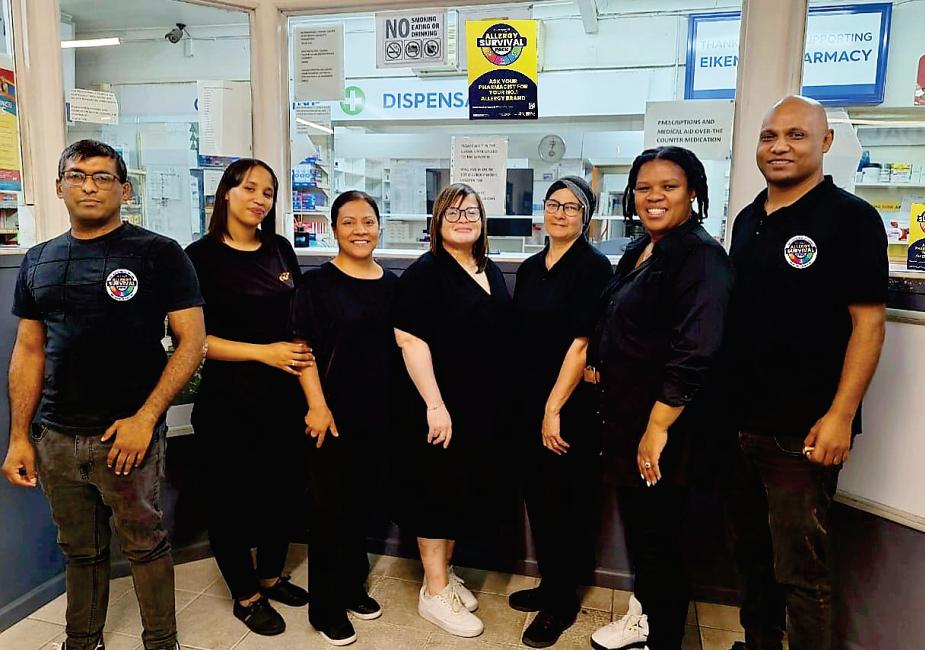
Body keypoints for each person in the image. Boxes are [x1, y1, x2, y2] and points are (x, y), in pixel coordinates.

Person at [1, 140, 206, 650]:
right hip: (56, 437)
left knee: (144, 545)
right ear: (58, 187)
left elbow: (192, 343)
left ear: (124, 189)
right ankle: (82, 640)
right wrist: (20, 436)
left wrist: (145, 419)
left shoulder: (159, 253)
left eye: (102, 177)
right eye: (76, 176)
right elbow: (29, 351)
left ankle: (161, 642)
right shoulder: (38, 260)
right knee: (80, 550)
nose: (88, 186)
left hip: (128, 436)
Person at [725, 95, 888, 650]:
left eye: (796, 135)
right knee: (751, 556)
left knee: (801, 571)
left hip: (803, 432)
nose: (779, 146)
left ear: (826, 142)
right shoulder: (749, 219)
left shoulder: (851, 218)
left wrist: (841, 415)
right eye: (769, 136)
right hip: (739, 423)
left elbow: (869, 324)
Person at [587, 147, 733, 650]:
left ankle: (665, 639)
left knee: (663, 544)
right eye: (644, 187)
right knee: (645, 538)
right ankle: (647, 624)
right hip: (629, 420)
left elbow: (698, 348)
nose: (654, 197)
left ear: (693, 192)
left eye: (669, 186)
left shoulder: (700, 257)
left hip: (669, 429)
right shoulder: (642, 248)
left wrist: (657, 427)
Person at [185, 159, 310, 637]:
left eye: (269, 192)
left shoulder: (279, 249)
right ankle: (246, 594)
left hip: (284, 399)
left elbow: (297, 321)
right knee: (229, 502)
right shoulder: (199, 257)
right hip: (228, 403)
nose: (260, 199)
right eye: (250, 188)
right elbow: (194, 341)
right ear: (226, 193)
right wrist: (265, 352)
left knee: (282, 493)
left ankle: (271, 576)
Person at [392, 183, 513, 639]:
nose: (464, 220)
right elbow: (409, 340)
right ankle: (434, 591)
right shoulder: (426, 273)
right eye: (453, 213)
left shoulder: (487, 268)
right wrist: (435, 405)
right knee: (435, 494)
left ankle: (444, 573)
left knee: (459, 492)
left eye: (472, 213)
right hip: (438, 406)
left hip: (479, 409)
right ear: (438, 221)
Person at [289, 190, 398, 646]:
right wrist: (317, 405)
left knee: (360, 508)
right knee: (330, 512)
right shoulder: (316, 285)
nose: (359, 230)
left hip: (379, 415)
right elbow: (302, 350)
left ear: (379, 226)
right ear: (333, 229)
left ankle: (353, 589)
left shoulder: (392, 284)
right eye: (349, 222)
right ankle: (326, 608)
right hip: (331, 415)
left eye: (367, 221)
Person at [507, 176, 612, 648]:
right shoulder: (532, 268)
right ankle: (550, 584)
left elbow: (581, 343)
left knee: (567, 503)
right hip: (528, 400)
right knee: (539, 499)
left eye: (572, 207)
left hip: (567, 407)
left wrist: (553, 409)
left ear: (586, 216)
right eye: (553, 204)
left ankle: (562, 602)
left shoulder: (593, 267)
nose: (560, 213)